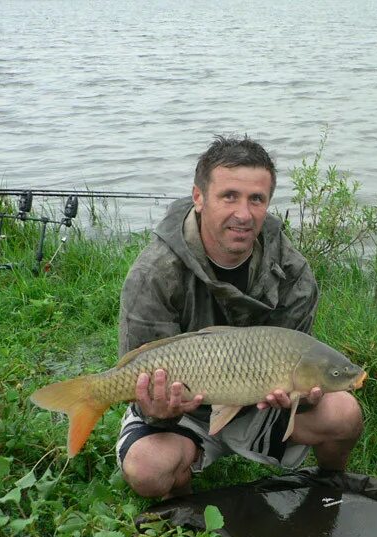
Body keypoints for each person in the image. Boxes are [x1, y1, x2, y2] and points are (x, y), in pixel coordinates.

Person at [115, 135, 363, 499]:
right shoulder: (154, 274)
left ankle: (328, 489)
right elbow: (142, 380)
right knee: (148, 468)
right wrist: (160, 411)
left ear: (267, 204)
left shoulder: (292, 273)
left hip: (259, 405)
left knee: (344, 413)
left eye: (256, 199)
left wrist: (303, 397)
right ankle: (184, 511)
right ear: (199, 198)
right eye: (229, 196)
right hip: (185, 415)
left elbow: (299, 364)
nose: (244, 214)